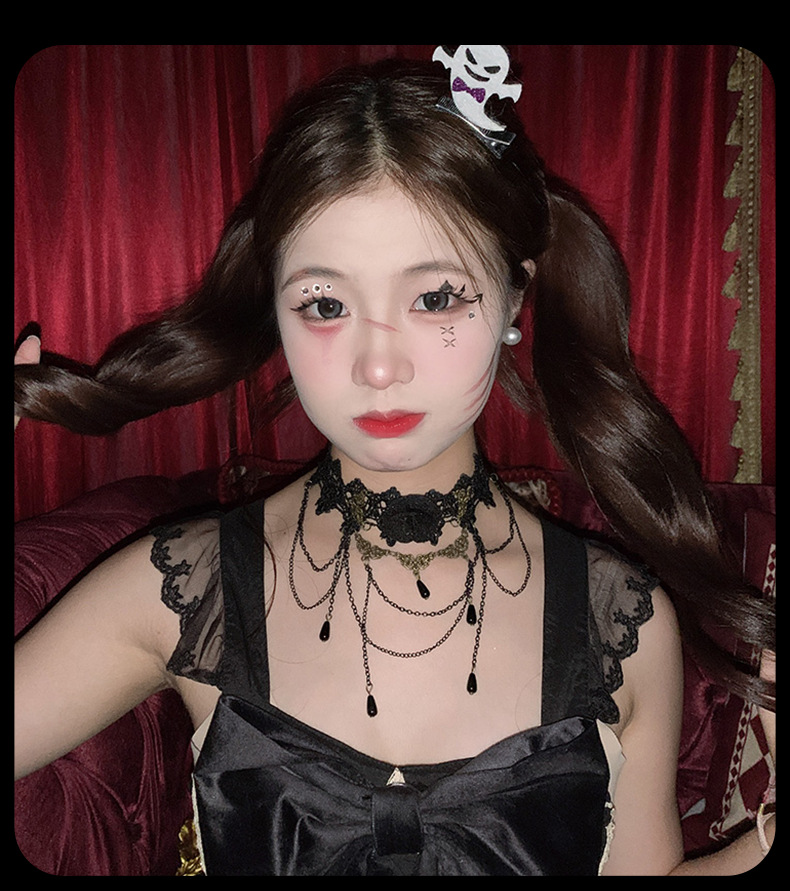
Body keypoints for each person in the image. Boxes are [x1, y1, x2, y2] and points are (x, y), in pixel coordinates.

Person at [14, 51, 774, 875]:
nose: (379, 366)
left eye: (435, 297)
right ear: (274, 306)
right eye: (325, 304)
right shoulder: (181, 593)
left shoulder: (623, 624)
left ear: (515, 295)